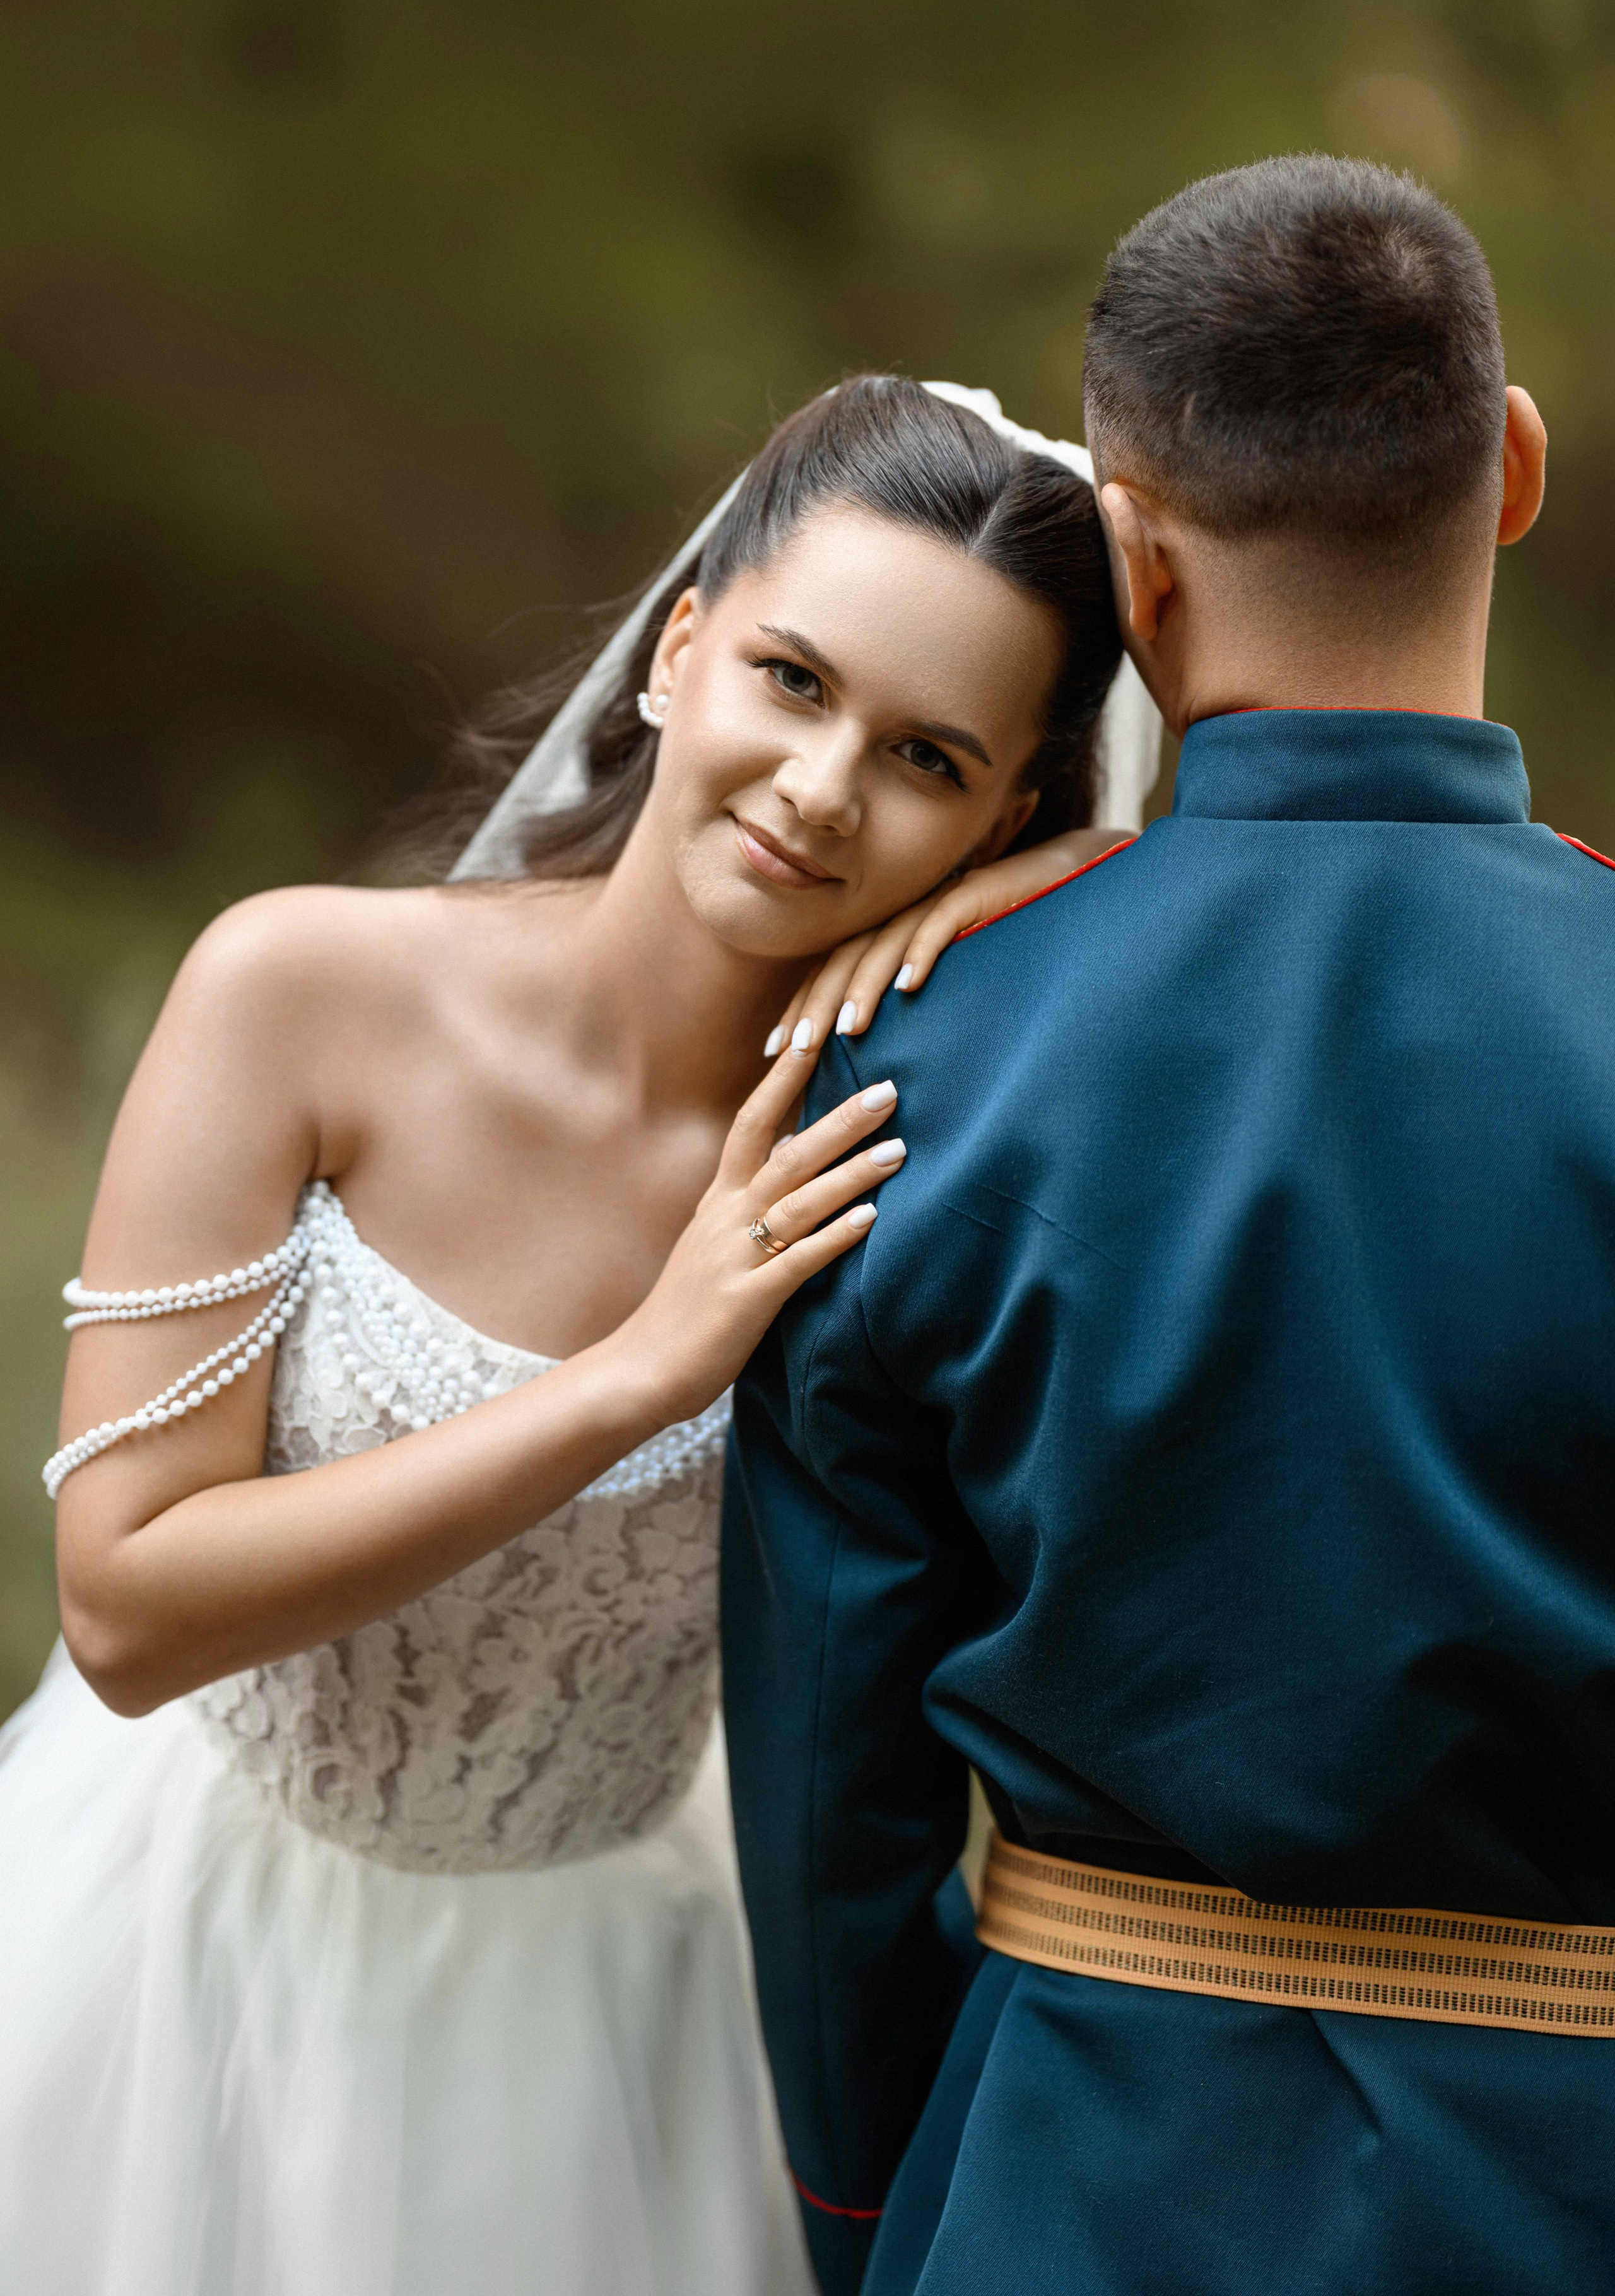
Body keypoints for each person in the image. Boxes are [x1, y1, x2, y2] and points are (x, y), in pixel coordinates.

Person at [0, 374, 1155, 2296]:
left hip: (598, 2040)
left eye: (926, 761)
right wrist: (641, 1374)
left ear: (1006, 818)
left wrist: (1060, 886)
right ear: (679, 649)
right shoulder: (305, 992)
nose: (817, 790)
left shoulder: (906, 1168)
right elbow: (123, 1605)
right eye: (792, 680)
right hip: (179, 1964)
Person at [723, 158, 1615, 2296]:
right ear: (1512, 469)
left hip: (1072, 2176)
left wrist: (881, 2206)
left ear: (1129, 555)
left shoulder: (920, 1060)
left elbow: (834, 1769)